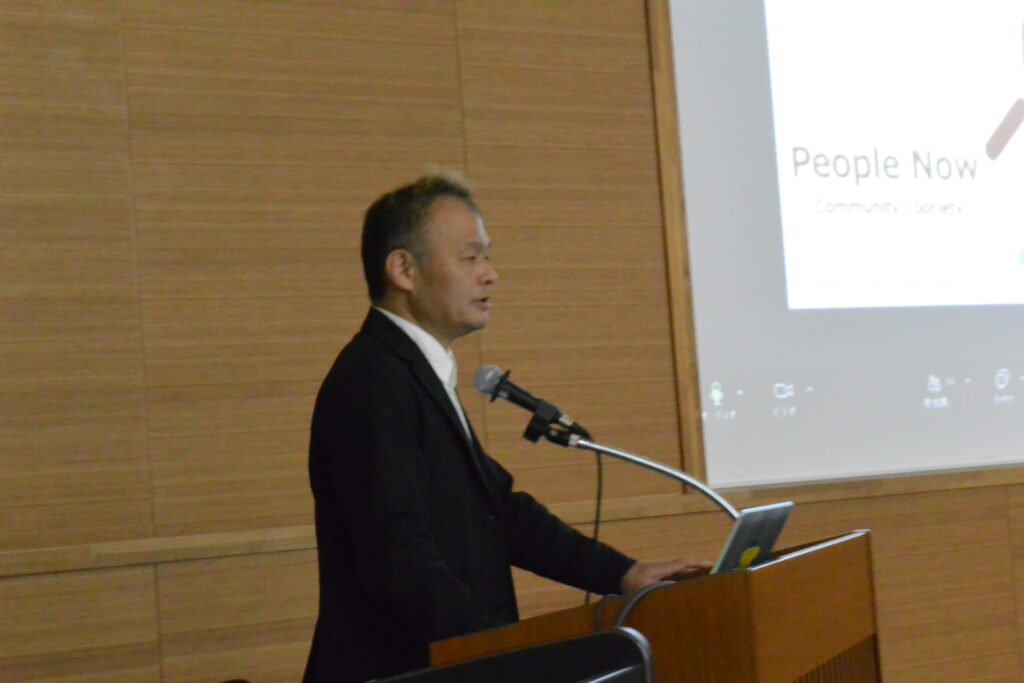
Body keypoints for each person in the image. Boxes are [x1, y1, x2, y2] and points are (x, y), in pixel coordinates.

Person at [303, 172, 710, 682]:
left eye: (487, 257)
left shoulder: (412, 373)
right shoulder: (371, 380)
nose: (490, 274)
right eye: (470, 258)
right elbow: (397, 553)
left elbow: (502, 514)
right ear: (403, 269)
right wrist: (496, 652)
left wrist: (623, 573)